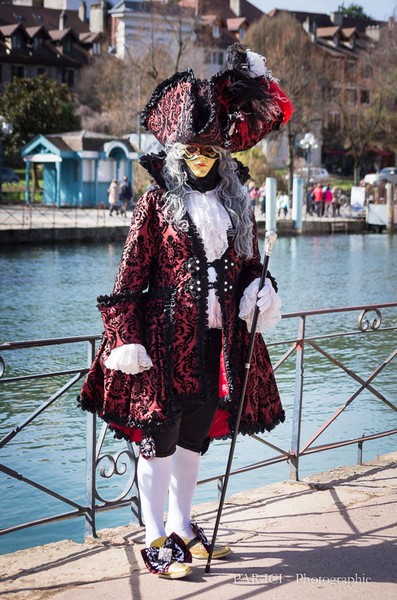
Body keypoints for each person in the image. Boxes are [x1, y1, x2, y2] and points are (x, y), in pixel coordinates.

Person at [78, 43, 293, 580]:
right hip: (161, 341)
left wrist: (258, 290)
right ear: (176, 149)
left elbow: (243, 267)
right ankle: (153, 536)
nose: (200, 158)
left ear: (220, 152)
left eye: (209, 149)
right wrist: (124, 339)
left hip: (215, 341)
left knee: (195, 436)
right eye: (192, 148)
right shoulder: (155, 203)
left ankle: (181, 525)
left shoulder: (233, 203)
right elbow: (128, 278)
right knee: (158, 439)